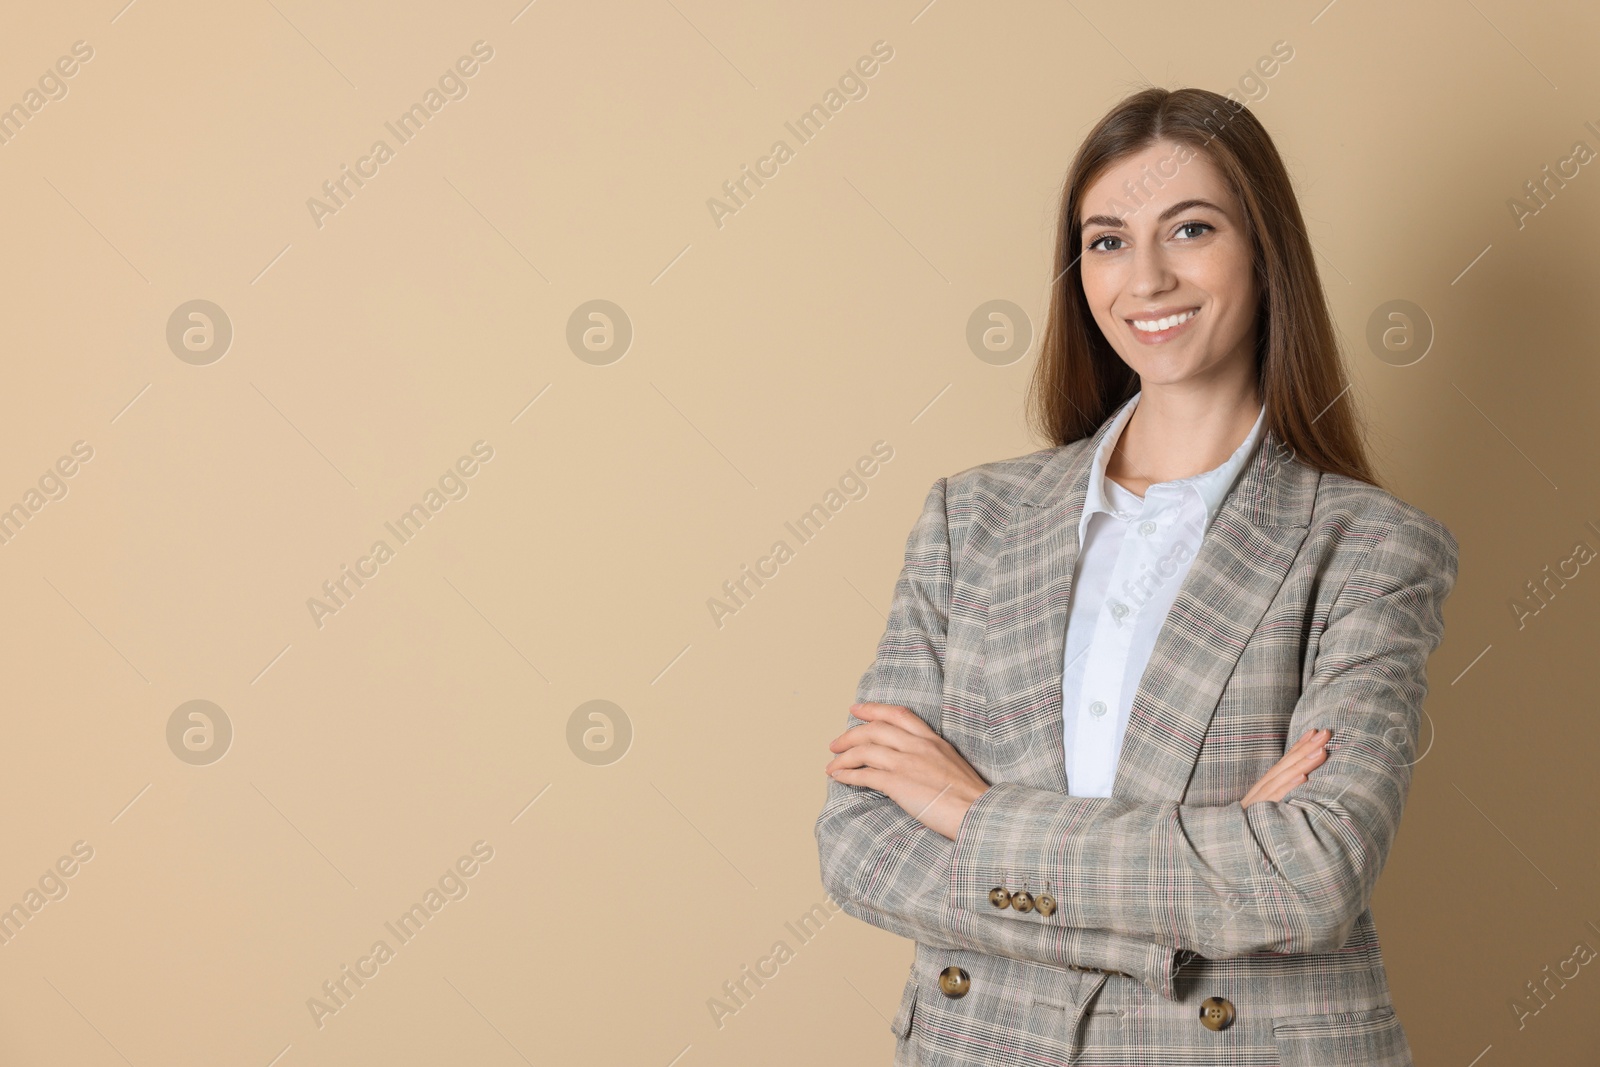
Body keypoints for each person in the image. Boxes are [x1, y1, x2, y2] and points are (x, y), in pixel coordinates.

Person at [814, 86, 1459, 1066]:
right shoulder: (969, 519)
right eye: (1107, 240)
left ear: (1264, 250)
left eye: (1189, 228)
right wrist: (1208, 847)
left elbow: (1311, 872)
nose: (1145, 277)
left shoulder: (1370, 547)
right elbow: (860, 842)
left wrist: (967, 813)